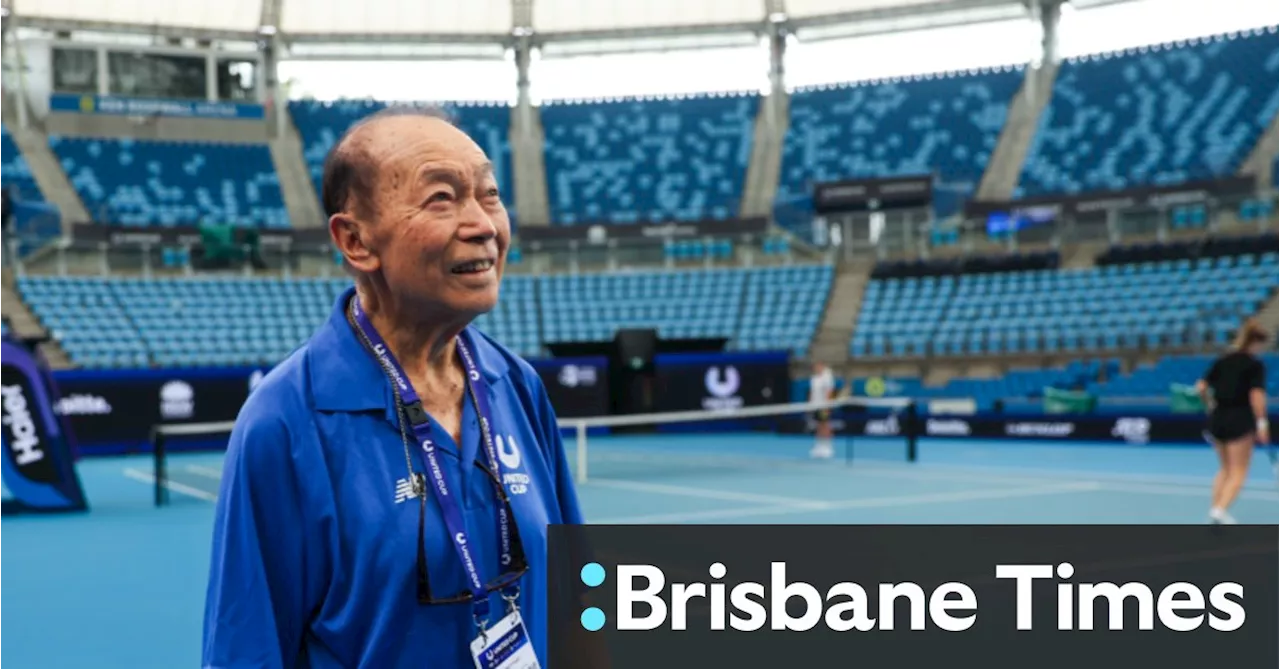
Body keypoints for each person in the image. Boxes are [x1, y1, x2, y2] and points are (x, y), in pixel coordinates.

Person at [202, 107, 587, 668]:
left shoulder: (516, 386)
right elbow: (246, 650)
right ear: (356, 241)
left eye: (490, 194)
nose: (483, 223)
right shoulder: (287, 421)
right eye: (442, 198)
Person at [1196, 317, 1270, 525]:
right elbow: (1256, 396)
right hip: (1240, 418)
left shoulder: (1222, 360)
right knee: (1239, 470)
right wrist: (1262, 423)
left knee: (1225, 468)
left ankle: (1216, 508)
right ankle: (1219, 511)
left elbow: (1200, 387)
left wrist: (1209, 405)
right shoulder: (1255, 365)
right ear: (1257, 343)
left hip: (1218, 417)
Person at [808, 362, 837, 459]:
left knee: (825, 425)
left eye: (818, 366)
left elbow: (829, 392)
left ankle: (828, 447)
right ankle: (819, 447)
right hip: (815, 406)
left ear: (822, 367)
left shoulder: (827, 377)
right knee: (818, 426)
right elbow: (812, 392)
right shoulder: (814, 379)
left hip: (824, 406)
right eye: (815, 367)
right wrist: (810, 405)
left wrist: (827, 405)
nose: (817, 368)